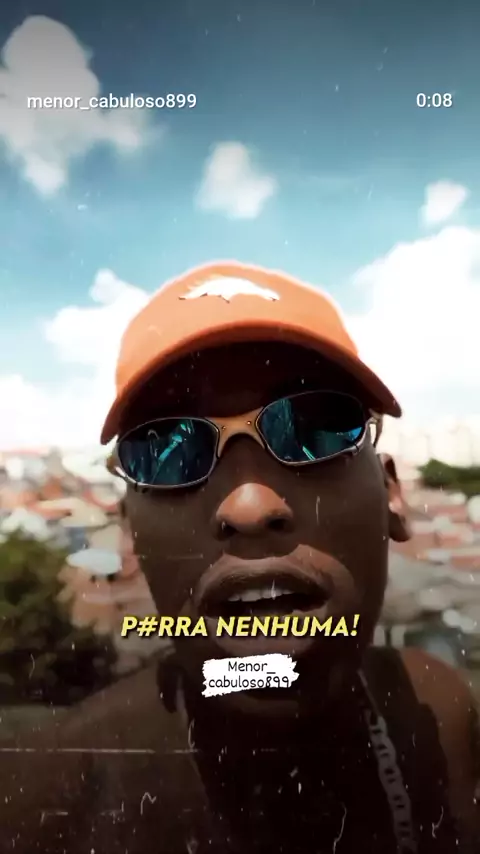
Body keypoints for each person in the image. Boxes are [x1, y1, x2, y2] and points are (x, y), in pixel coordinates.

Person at [2, 261, 479, 853]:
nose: (250, 507)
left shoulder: (440, 712)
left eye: (315, 426)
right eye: (167, 451)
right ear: (128, 535)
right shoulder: (52, 801)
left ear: (391, 494)